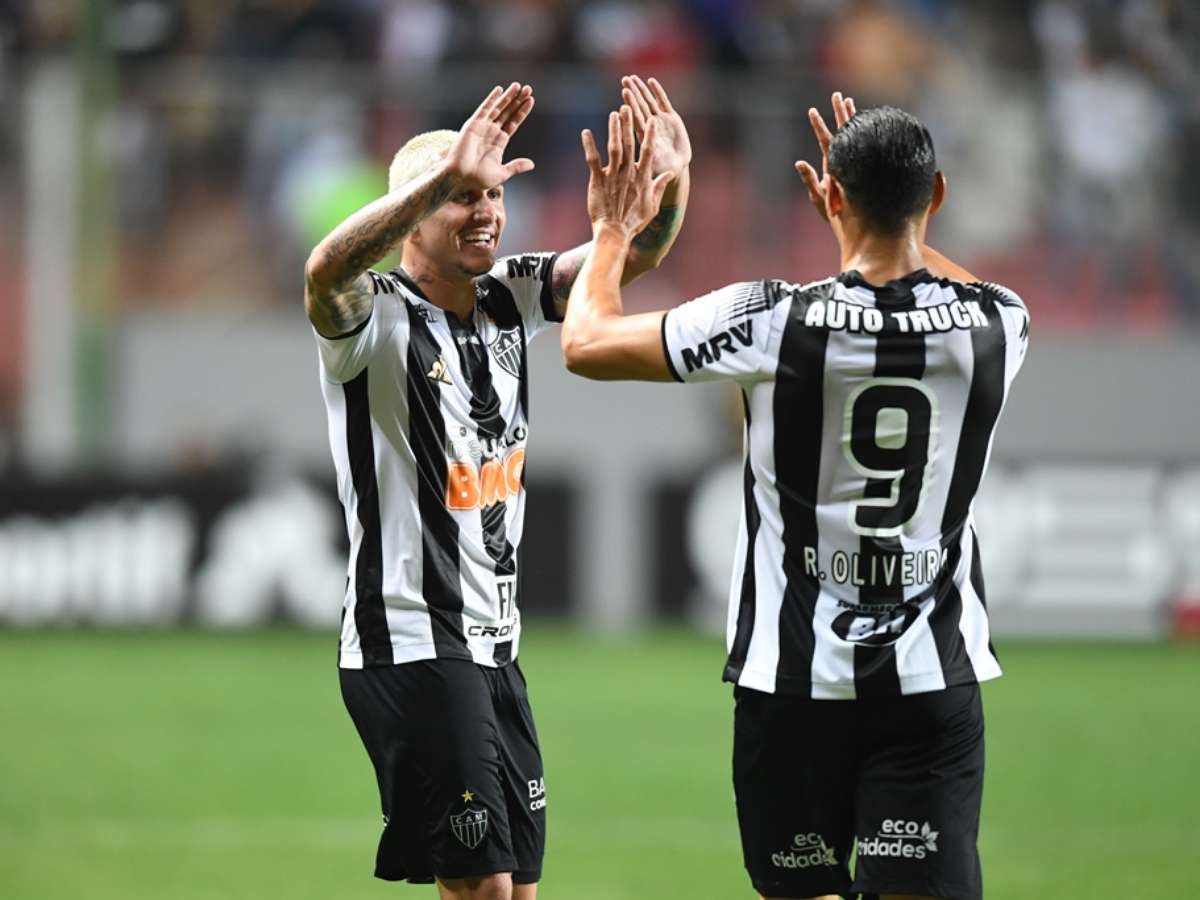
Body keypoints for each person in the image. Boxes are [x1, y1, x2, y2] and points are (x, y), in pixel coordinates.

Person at [560, 92, 1029, 900]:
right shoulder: (998, 325)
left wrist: (611, 229)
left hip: (791, 685)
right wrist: (883, 221)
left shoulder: (771, 319)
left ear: (831, 195)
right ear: (937, 196)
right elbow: (945, 276)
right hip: (928, 682)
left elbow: (585, 342)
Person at [303, 80, 690, 899]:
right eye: (462, 198)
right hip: (410, 639)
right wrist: (438, 179)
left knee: (518, 889)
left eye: (492, 196)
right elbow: (325, 269)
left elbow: (640, 250)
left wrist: (671, 181)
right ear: (413, 216)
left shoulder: (513, 296)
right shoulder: (371, 318)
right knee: (481, 885)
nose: (484, 212)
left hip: (495, 649)